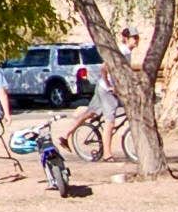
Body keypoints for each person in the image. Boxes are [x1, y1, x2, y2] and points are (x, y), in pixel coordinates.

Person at [50, 27, 132, 161]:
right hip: (106, 90)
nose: (136, 41)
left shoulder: (127, 52)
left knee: (91, 112)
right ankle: (107, 154)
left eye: (137, 38)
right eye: (134, 38)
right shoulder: (121, 51)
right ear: (126, 38)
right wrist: (110, 86)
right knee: (110, 120)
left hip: (102, 87)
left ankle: (65, 135)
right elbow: (104, 68)